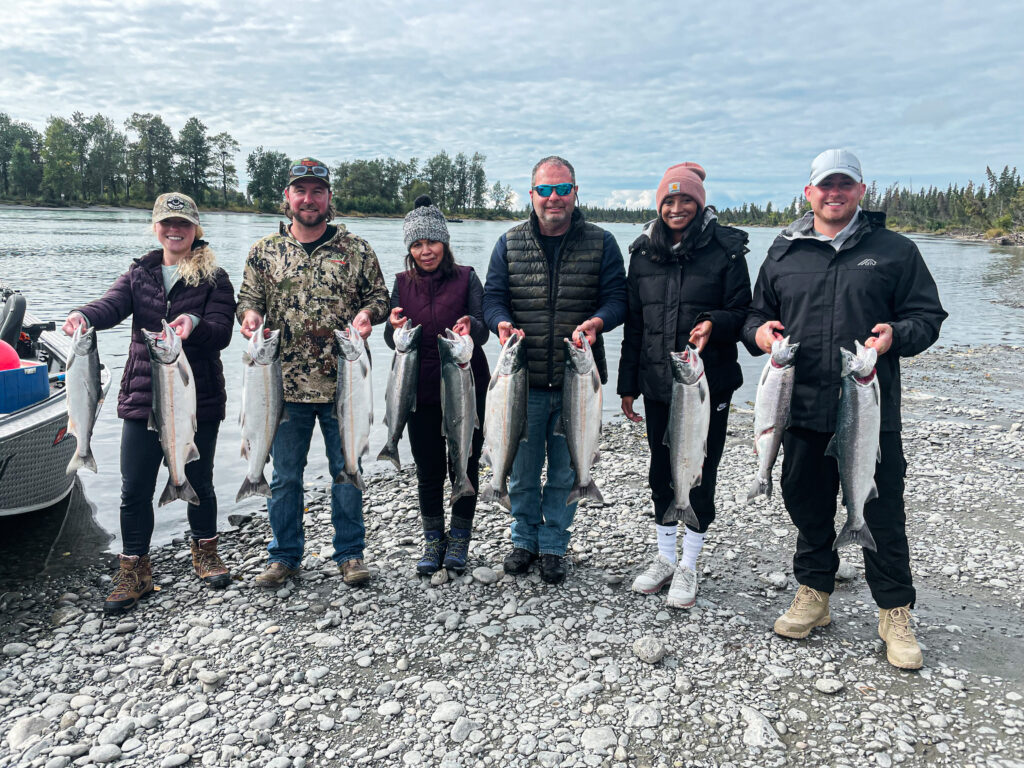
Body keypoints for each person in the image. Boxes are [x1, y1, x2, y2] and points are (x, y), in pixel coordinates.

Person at [742, 149, 947, 669]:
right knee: (805, 503)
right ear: (808, 192)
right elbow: (755, 316)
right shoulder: (784, 251)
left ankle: (894, 611)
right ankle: (815, 591)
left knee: (881, 507)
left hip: (869, 408)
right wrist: (758, 333)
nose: (834, 193)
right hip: (800, 407)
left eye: (845, 185)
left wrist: (896, 335)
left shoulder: (895, 250)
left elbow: (927, 316)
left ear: (861, 190)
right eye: (825, 185)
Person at [63, 192, 236, 615]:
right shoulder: (139, 274)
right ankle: (135, 568)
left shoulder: (215, 278)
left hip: (198, 398)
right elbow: (111, 305)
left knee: (200, 479)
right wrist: (84, 315)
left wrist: (194, 324)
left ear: (196, 229)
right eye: (166, 223)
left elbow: (222, 331)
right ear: (155, 227)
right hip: (142, 395)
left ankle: (206, 551)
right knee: (133, 488)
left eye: (183, 224)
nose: (174, 230)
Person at [236, 157, 389, 588]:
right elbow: (247, 300)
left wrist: (365, 316)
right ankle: (284, 556)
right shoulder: (264, 252)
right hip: (280, 389)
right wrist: (249, 317)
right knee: (285, 476)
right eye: (300, 191)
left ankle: (350, 554)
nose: (308, 199)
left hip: (344, 385)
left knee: (348, 470)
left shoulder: (356, 249)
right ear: (287, 197)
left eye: (317, 191)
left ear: (328, 199)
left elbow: (379, 297)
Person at [482, 155, 627, 584]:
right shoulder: (508, 243)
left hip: (578, 382)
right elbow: (492, 298)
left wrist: (599, 322)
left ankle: (553, 546)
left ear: (575, 192)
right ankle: (523, 540)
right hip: (521, 383)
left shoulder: (601, 242)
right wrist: (499, 323)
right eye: (544, 190)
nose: (554, 198)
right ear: (532, 195)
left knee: (566, 469)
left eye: (562, 189)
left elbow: (618, 298)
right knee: (522, 468)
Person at [617, 162, 751, 609]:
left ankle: (690, 565)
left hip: (705, 386)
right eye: (669, 201)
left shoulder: (727, 251)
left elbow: (745, 314)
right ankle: (664, 556)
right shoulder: (641, 253)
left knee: (699, 470)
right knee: (662, 469)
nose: (677, 208)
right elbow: (634, 326)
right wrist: (627, 385)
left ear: (700, 203)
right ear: (659, 205)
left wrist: (715, 322)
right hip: (658, 382)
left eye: (686, 200)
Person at [384, 196, 490, 575]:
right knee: (428, 470)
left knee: (465, 462)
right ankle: (434, 540)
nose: (425, 250)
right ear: (409, 249)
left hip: (466, 386)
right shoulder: (400, 283)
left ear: (444, 242)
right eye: (416, 244)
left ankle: (460, 540)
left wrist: (470, 328)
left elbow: (483, 326)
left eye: (431, 242)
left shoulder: (467, 276)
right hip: (420, 391)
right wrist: (392, 327)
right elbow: (389, 338)